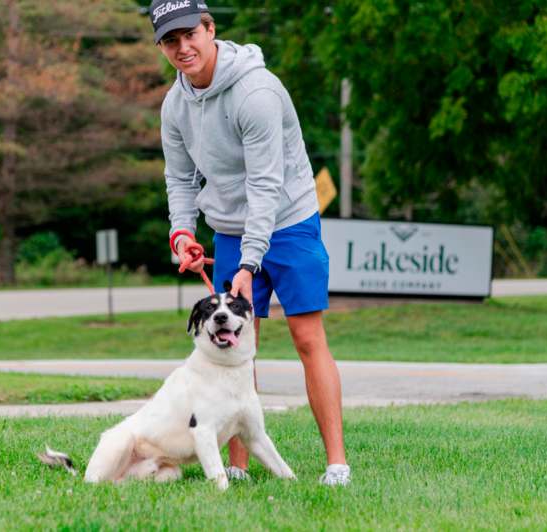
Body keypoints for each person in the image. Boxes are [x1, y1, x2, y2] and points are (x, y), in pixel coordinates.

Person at [150, 0, 350, 486]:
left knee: (306, 337)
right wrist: (182, 234)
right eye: (170, 41)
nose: (182, 48)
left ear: (210, 29)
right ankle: (237, 467)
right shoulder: (175, 105)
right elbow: (179, 179)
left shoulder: (256, 91)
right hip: (230, 225)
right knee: (235, 340)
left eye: (189, 35)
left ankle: (337, 464)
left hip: (289, 219)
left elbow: (265, 184)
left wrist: (249, 262)